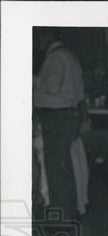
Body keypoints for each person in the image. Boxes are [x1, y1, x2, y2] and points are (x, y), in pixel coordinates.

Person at [34, 30, 86, 218]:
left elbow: (52, 88)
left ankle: (60, 218)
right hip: (67, 115)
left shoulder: (55, 58)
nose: (38, 40)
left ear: (48, 37)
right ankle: (69, 213)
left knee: (56, 171)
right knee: (64, 168)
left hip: (56, 117)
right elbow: (80, 93)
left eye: (40, 36)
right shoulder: (70, 56)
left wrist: (34, 81)